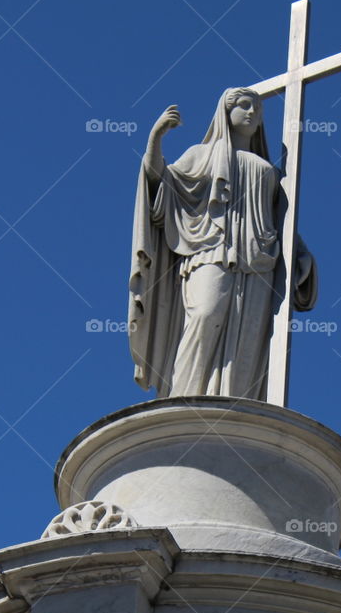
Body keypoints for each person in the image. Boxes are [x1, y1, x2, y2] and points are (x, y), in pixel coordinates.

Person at [128, 87, 316, 399]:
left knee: (251, 335)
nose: (253, 113)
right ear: (224, 112)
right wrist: (155, 138)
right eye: (244, 106)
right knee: (205, 313)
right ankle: (182, 399)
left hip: (258, 262)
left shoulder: (267, 169)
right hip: (208, 253)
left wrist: (300, 256)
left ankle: (237, 402)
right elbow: (157, 186)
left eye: (257, 108)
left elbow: (280, 221)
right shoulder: (199, 156)